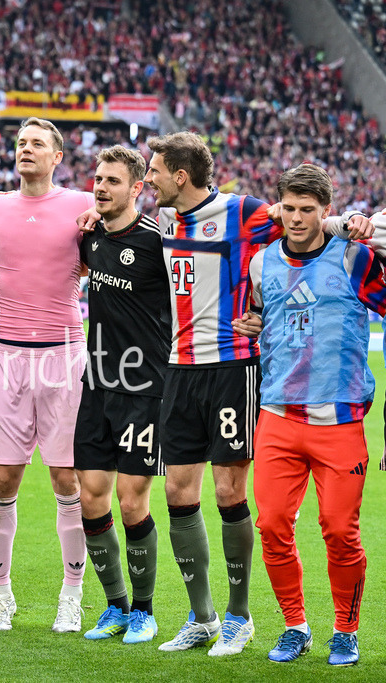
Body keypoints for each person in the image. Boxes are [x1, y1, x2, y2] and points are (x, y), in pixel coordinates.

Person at [76, 131, 370, 656]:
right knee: (177, 493)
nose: (149, 180)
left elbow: (300, 222)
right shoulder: (164, 220)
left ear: (180, 176)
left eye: (155, 171)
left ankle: (240, 617)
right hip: (178, 369)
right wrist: (92, 217)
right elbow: (120, 227)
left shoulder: (242, 212)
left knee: (230, 493)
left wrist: (347, 222)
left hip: (234, 368)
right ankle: (202, 617)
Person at [245, 164, 385, 667]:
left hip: (340, 421)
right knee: (271, 526)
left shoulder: (353, 257)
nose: (297, 218)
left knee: (340, 531)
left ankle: (345, 631)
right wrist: (255, 323)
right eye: (289, 208)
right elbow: (262, 315)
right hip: (277, 417)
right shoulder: (262, 262)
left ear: (326, 211)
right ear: (279, 208)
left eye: (308, 209)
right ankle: (295, 626)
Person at [0, 118, 94, 633]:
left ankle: (72, 594)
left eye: (37, 143)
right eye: (21, 143)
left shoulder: (83, 204)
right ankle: (0, 595)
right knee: (2, 478)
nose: (26, 149)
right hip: (7, 355)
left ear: (57, 156)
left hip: (65, 355)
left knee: (68, 479)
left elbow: (117, 253)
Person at [74, 146, 169, 644]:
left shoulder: (156, 242)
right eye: (98, 179)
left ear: (136, 188)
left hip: (145, 390)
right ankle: (115, 606)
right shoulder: (89, 237)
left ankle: (144, 611)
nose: (101, 187)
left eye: (113, 181)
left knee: (132, 503)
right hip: (96, 386)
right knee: (91, 498)